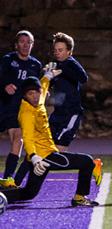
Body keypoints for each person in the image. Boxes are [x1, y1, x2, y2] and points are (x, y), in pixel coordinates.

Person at [0, 64, 102, 207]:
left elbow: (43, 85)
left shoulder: (39, 97)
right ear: (24, 95)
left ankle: (1, 195)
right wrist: (35, 158)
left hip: (43, 155)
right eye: (30, 94)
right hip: (43, 156)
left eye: (36, 92)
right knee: (87, 161)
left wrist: (48, 75)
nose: (35, 96)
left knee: (29, 193)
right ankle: (79, 197)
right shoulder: (27, 113)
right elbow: (28, 138)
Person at [0, 30, 42, 187]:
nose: (25, 45)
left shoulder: (36, 65)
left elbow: (36, 86)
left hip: (19, 109)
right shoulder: (7, 60)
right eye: (22, 42)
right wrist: (4, 85)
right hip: (4, 105)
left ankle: (8, 178)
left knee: (18, 139)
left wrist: (42, 92)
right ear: (16, 45)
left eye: (28, 42)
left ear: (32, 44)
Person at [49, 32, 88, 152]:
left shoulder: (70, 63)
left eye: (60, 50)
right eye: (55, 50)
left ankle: (85, 163)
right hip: (57, 114)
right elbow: (55, 89)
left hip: (70, 114)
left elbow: (83, 78)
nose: (57, 53)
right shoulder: (55, 65)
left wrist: (63, 70)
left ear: (69, 51)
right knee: (45, 146)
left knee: (58, 150)